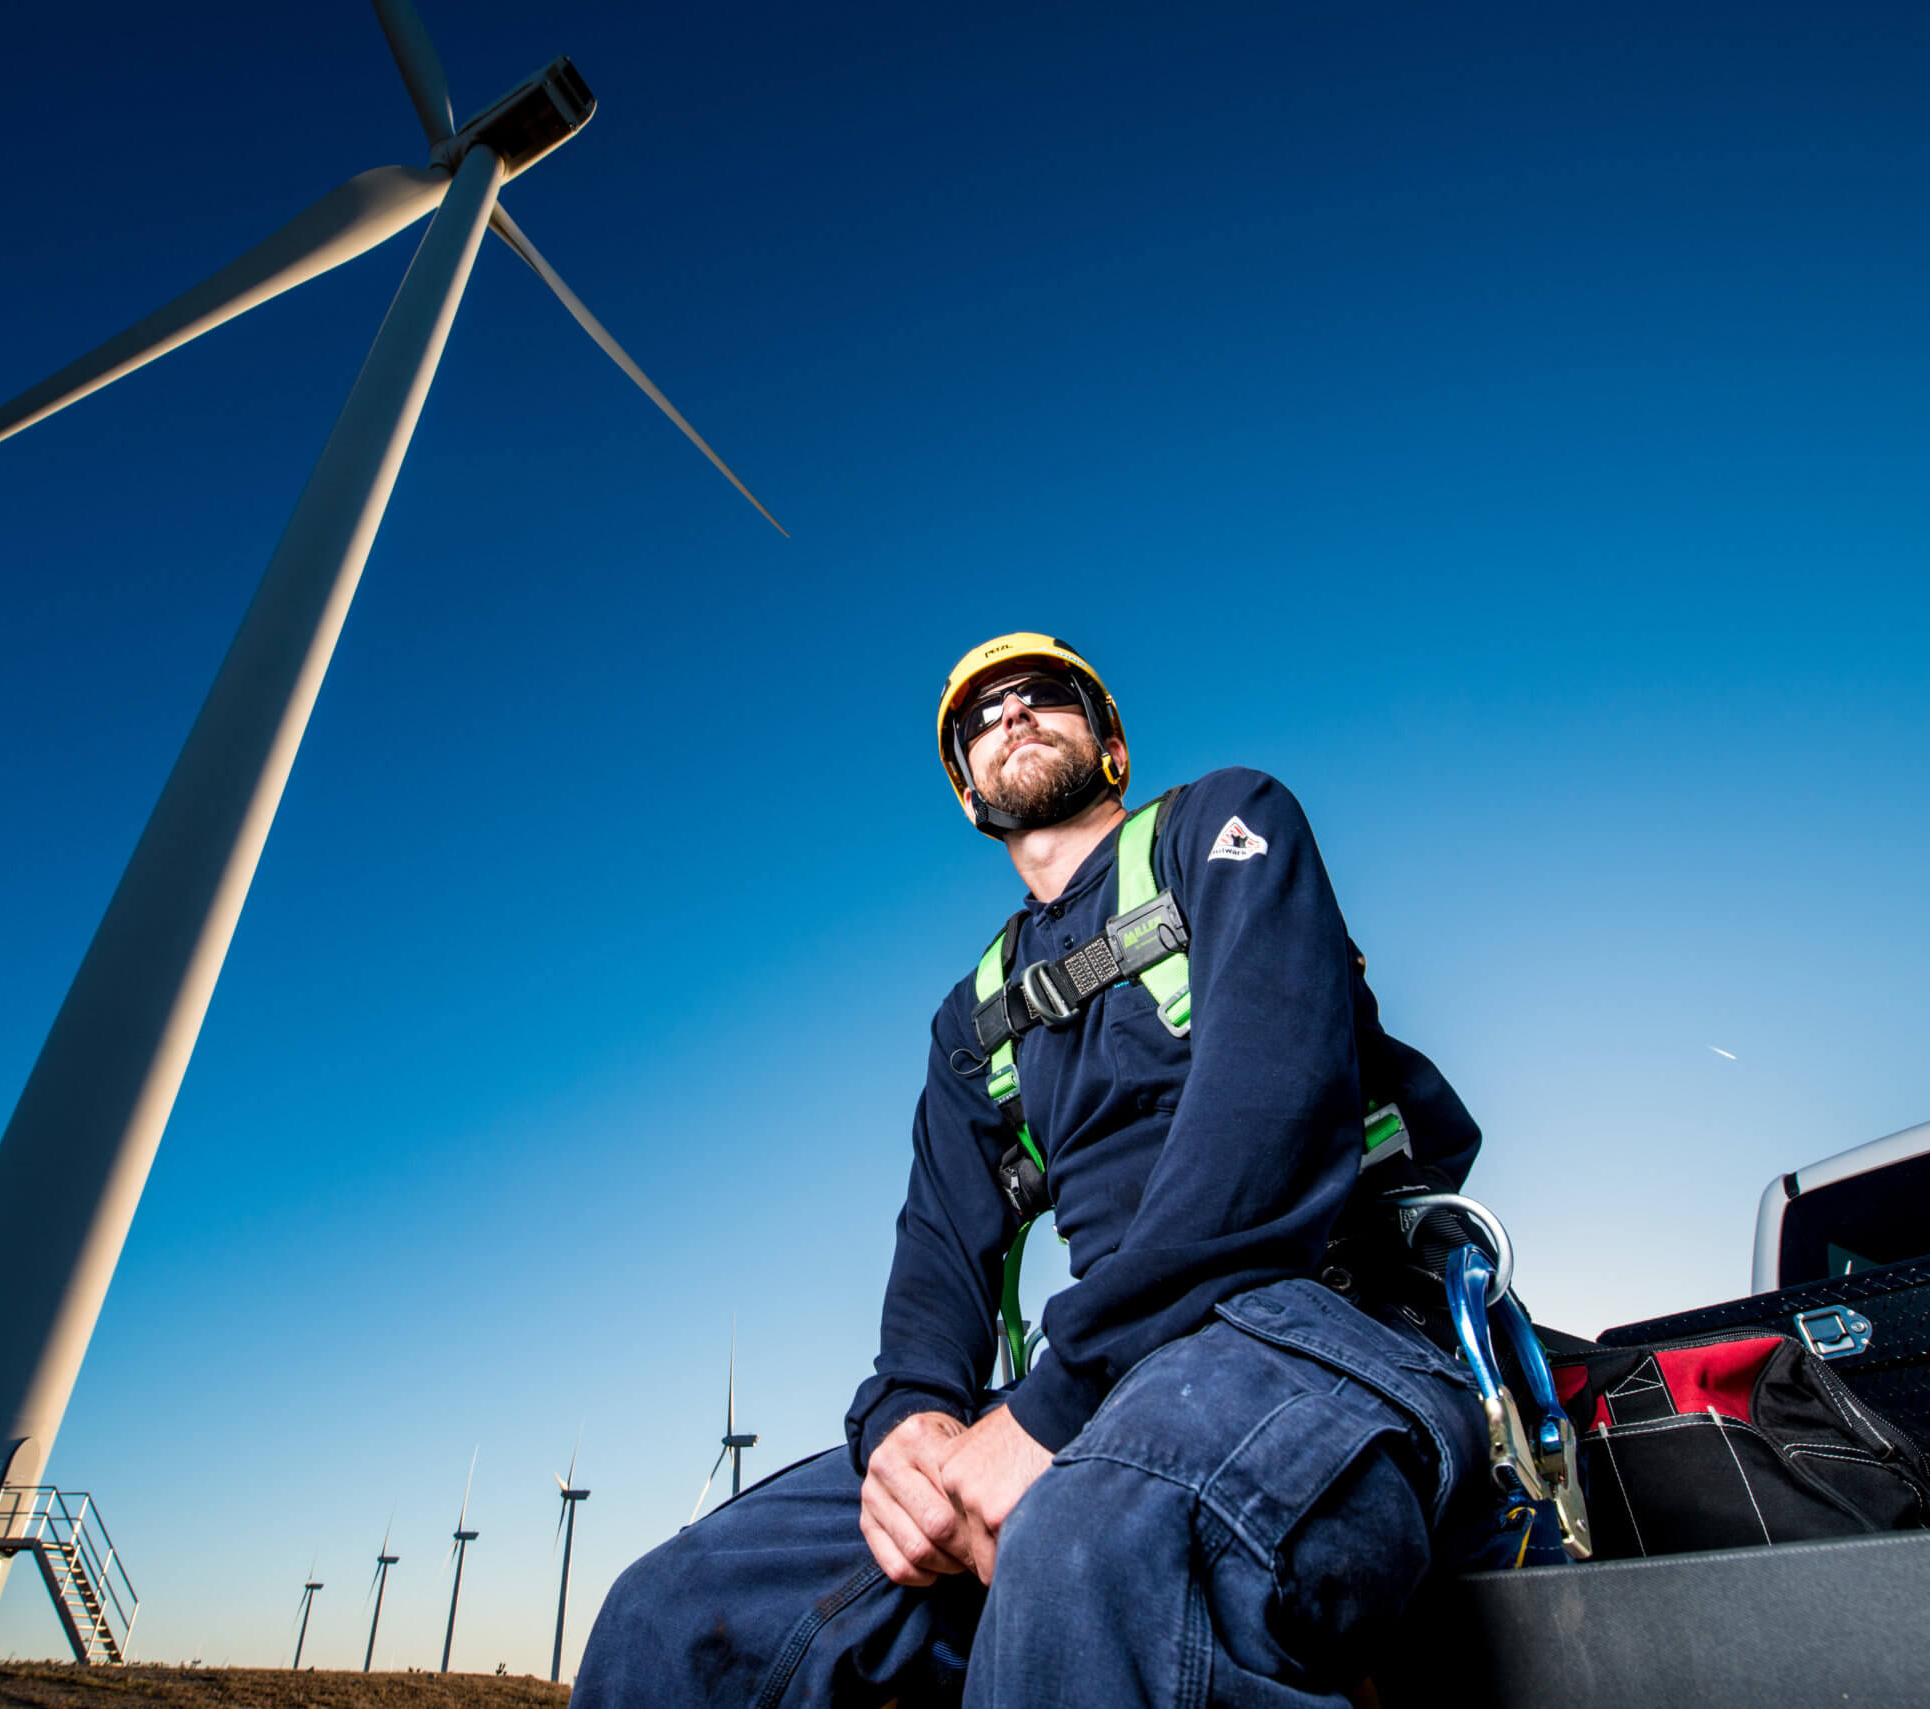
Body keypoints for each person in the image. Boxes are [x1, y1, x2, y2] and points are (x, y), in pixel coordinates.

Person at [574, 634, 1492, 1709]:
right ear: (967, 788)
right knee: (664, 1611)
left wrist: (1055, 1405)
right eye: (981, 715)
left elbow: (1272, 1112)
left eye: (1044, 695)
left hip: (1317, 1326)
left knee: (1089, 1540)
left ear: (1110, 743)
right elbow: (939, 1246)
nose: (1011, 714)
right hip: (1102, 1381)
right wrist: (911, 1422)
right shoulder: (976, 1013)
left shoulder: (1226, 823)